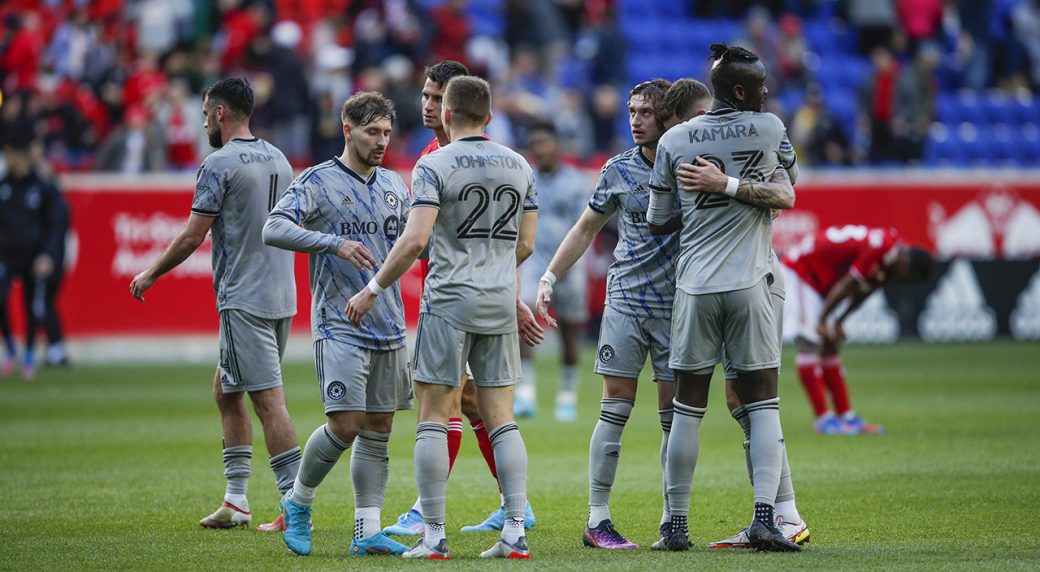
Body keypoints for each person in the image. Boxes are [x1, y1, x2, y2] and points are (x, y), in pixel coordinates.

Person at [346, 75, 540, 560]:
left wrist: (373, 288)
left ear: (448, 115)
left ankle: (433, 535)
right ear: (490, 117)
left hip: (450, 299)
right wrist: (496, 272)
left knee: (434, 417)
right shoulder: (520, 165)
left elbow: (414, 242)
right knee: (502, 420)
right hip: (498, 300)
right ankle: (515, 532)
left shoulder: (434, 164)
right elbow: (529, 245)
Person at [534, 78, 711, 550]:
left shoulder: (697, 169)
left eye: (646, 113)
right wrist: (550, 276)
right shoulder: (617, 170)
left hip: (680, 306)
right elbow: (585, 227)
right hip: (627, 303)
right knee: (615, 407)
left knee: (674, 417)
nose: (635, 120)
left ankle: (674, 520)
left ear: (669, 118)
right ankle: (598, 519)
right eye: (631, 111)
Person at [129, 77, 302, 531]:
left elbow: (192, 234)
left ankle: (294, 503)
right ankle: (237, 500)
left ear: (221, 113)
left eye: (206, 112)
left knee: (268, 401)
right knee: (226, 392)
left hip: (244, 298)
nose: (204, 119)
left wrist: (150, 272)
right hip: (282, 294)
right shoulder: (280, 159)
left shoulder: (218, 163)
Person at [647, 43, 800, 553]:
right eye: (759, 85)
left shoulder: (675, 139)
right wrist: (738, 185)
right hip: (750, 283)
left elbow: (656, 219)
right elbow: (785, 191)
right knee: (763, 403)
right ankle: (765, 517)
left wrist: (705, 193)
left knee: (688, 407)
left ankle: (676, 525)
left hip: (694, 286)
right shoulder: (771, 128)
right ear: (740, 90)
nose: (766, 91)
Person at [261, 92, 412, 557]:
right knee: (344, 424)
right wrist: (332, 243)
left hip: (389, 323)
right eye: (372, 132)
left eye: (387, 132)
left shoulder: (394, 184)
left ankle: (367, 531)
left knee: (379, 427)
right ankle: (299, 502)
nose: (381, 141)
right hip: (338, 322)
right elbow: (273, 227)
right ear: (347, 130)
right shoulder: (316, 181)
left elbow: (411, 244)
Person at [782, 224, 934, 434]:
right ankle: (823, 420)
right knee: (811, 341)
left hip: (822, 280)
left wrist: (839, 321)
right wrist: (824, 319)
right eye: (909, 279)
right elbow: (848, 285)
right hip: (802, 271)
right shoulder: (880, 248)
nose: (904, 283)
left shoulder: (891, 258)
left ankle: (846, 417)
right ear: (906, 265)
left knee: (830, 344)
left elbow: (864, 290)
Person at [515, 119, 591, 422]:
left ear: (557, 145)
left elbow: (585, 228)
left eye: (544, 143)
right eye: (534, 145)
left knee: (571, 333)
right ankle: (526, 395)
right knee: (525, 318)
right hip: (535, 262)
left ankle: (567, 396)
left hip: (569, 266)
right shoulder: (526, 180)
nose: (539, 150)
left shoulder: (575, 182)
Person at [0, 129, 69, 379]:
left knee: (32, 306)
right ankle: (9, 347)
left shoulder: (42, 187)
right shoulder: (4, 186)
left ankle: (28, 352)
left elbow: (56, 223)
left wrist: (48, 254)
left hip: (33, 255)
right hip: (6, 255)